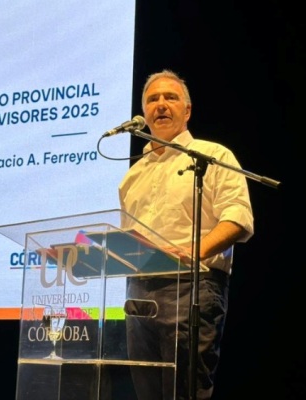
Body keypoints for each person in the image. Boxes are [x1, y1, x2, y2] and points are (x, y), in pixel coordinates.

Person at [118, 69, 254, 400]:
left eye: (171, 97)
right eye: (153, 99)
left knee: (185, 392)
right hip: (139, 292)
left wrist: (195, 251)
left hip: (192, 286)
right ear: (144, 113)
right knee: (146, 393)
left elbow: (238, 218)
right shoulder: (132, 175)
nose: (161, 104)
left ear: (187, 110)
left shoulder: (213, 156)